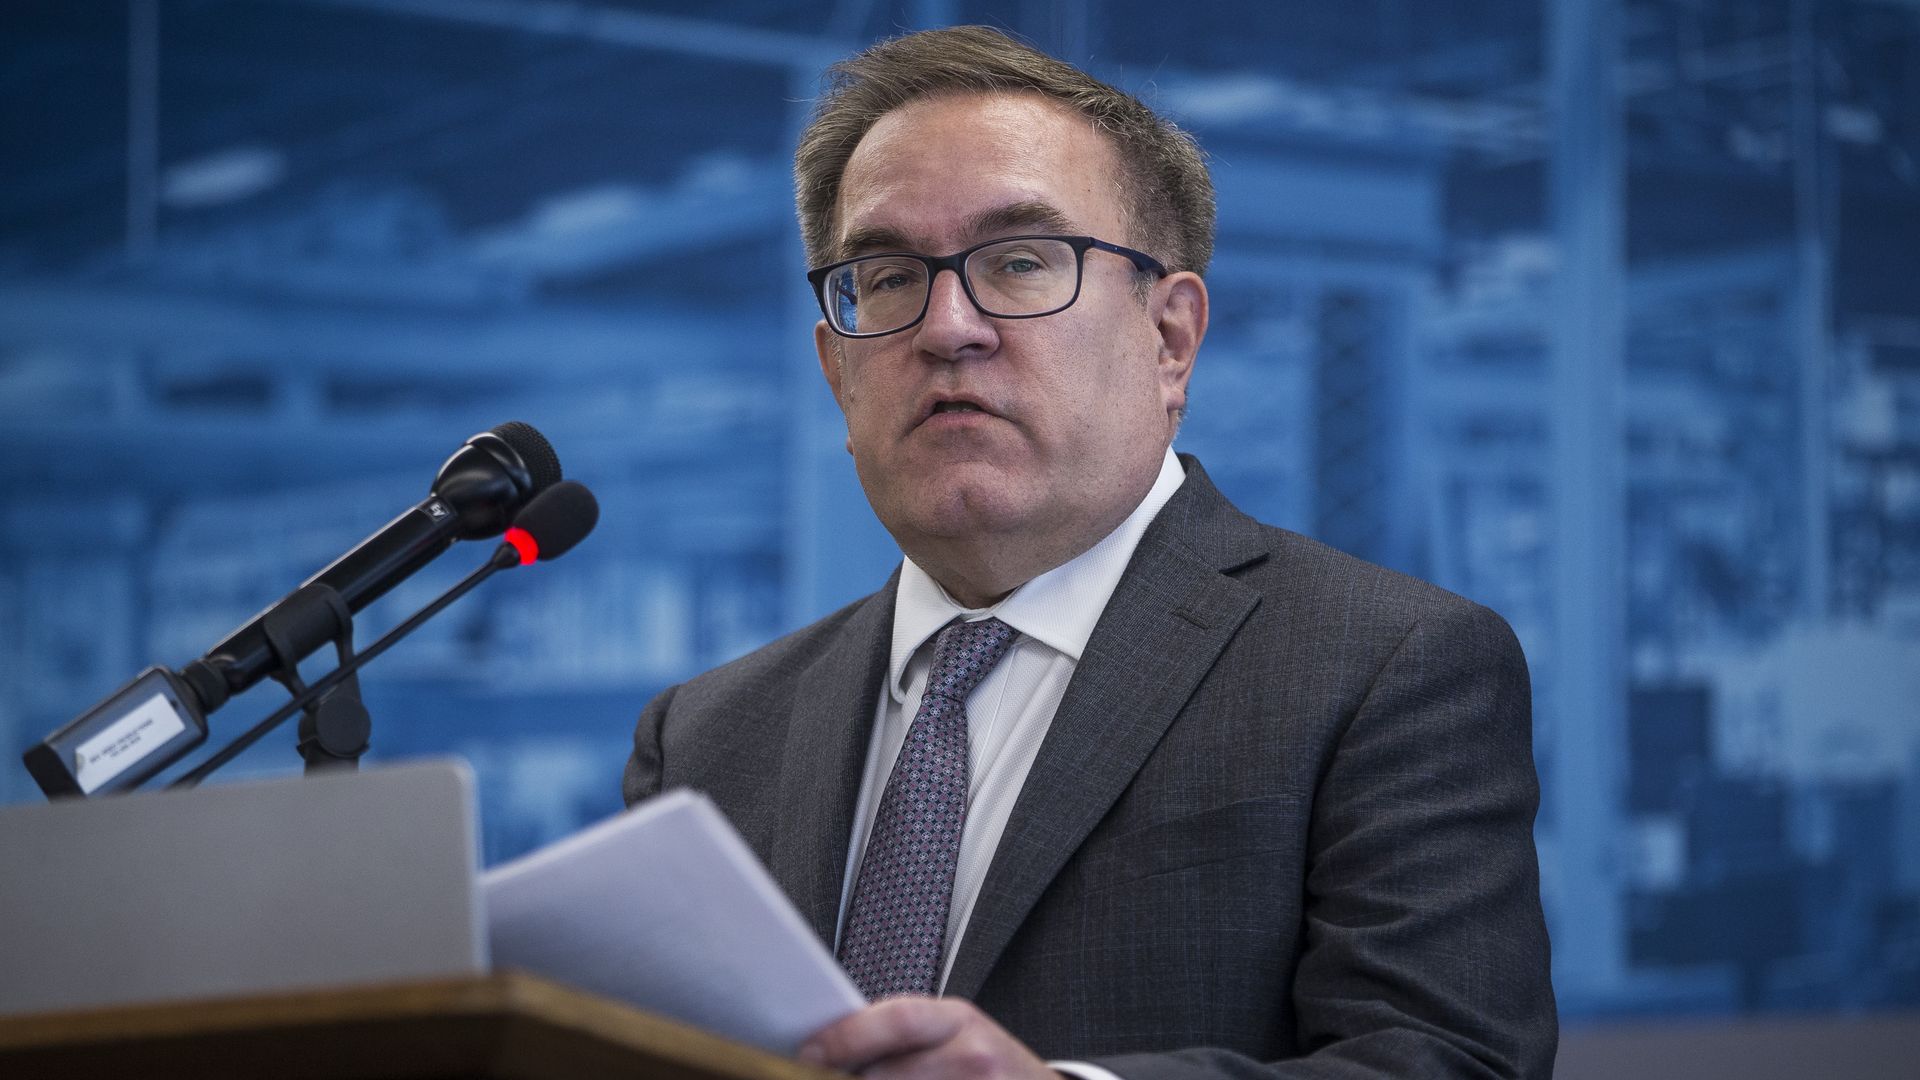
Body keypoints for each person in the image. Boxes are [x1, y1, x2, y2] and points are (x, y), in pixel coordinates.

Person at [625, 24, 1556, 1080]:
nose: (947, 327)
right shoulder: (704, 738)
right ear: (839, 373)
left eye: (1021, 262)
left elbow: (1448, 1064)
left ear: (1170, 339)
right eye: (885, 277)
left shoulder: (1391, 668)